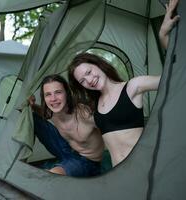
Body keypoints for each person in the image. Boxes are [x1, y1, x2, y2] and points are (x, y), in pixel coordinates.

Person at [67, 0, 179, 167]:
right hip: (117, 175)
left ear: (98, 64)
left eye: (89, 72)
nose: (89, 80)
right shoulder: (93, 105)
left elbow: (175, 76)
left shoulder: (133, 87)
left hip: (143, 168)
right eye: (82, 80)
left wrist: (163, 36)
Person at [29, 74, 105, 177]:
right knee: (31, 117)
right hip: (66, 150)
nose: (53, 99)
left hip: (87, 162)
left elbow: (112, 129)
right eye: (48, 94)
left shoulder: (85, 114)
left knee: (50, 177)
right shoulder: (52, 112)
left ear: (67, 93)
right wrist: (31, 105)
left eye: (58, 92)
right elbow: (42, 112)